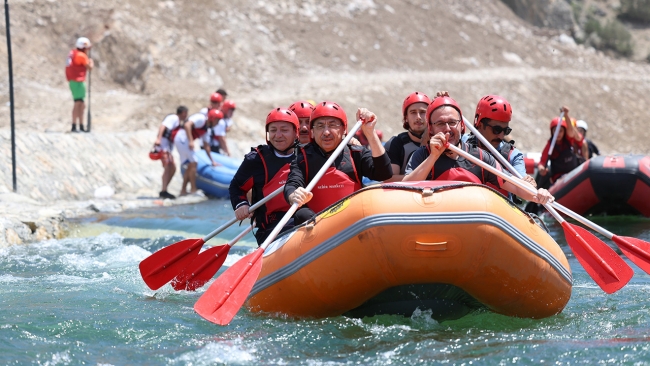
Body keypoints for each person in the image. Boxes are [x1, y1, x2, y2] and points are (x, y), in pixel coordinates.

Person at [402, 96, 553, 205]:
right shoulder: (422, 155)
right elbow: (404, 191)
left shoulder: (480, 157)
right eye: (440, 123)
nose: (447, 128)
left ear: (462, 126)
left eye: (452, 122)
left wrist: (537, 194)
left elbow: (515, 186)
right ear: (431, 129)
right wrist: (433, 157)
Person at [284, 102, 393, 225]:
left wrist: (369, 132)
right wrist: (294, 195)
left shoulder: (355, 152)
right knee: (301, 215)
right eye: (320, 126)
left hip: (352, 222)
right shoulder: (302, 158)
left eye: (332, 125)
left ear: (343, 129)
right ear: (312, 132)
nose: (326, 132)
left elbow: (384, 173)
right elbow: (292, 184)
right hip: (318, 226)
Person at [229, 107, 300, 244]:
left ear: (295, 133)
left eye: (284, 130)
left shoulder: (306, 155)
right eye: (273, 130)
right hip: (271, 227)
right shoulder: (255, 160)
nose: (278, 135)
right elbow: (236, 187)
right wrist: (241, 204)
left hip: (303, 219)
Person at [465, 94, 537, 200]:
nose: (501, 136)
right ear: (480, 126)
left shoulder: (513, 156)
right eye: (496, 130)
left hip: (498, 213)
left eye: (506, 131)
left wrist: (528, 184)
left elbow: (523, 182)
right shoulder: (461, 145)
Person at [384, 91, 432, 182]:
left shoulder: (441, 141)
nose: (418, 117)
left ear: (430, 116)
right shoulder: (395, 144)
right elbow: (389, 180)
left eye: (423, 112)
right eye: (413, 112)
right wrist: (419, 178)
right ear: (406, 118)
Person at [173, 108, 222, 196]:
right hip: (182, 139)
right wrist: (191, 141)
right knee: (194, 163)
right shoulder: (201, 118)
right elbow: (187, 125)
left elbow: (206, 146)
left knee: (190, 165)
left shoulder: (207, 129)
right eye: (217, 120)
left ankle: (183, 190)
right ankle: (193, 189)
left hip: (184, 141)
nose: (218, 123)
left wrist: (212, 161)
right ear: (212, 118)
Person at [536, 106, 585, 188]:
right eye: (556, 131)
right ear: (552, 131)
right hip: (559, 178)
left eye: (561, 131)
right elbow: (542, 162)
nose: (558, 134)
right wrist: (541, 169)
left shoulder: (568, 140)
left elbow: (571, 130)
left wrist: (566, 115)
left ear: (564, 132)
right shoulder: (550, 145)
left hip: (573, 173)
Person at [154, 106, 188, 199]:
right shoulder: (173, 118)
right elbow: (163, 126)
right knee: (168, 167)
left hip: (167, 148)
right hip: (163, 146)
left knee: (172, 168)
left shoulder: (177, 121)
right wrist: (158, 139)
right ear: (183, 112)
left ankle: (164, 190)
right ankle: (163, 191)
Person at [65, 37, 94, 133]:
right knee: (78, 103)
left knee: (81, 104)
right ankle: (75, 126)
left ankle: (80, 125)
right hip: (78, 81)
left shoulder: (73, 53)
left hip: (73, 81)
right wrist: (91, 62)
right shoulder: (81, 55)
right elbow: (89, 67)